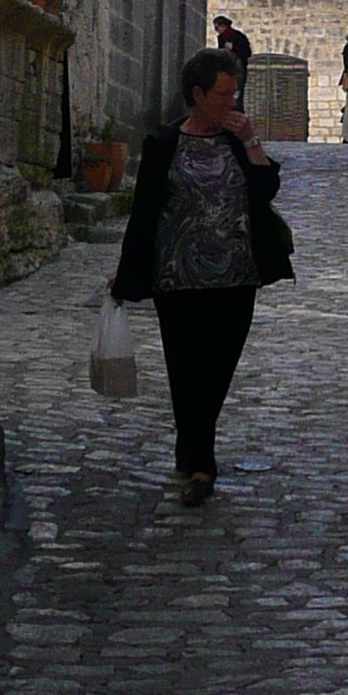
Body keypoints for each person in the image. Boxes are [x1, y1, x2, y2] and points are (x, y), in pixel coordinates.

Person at [113, 48, 293, 503]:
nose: (232, 101)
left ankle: (192, 447)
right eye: (223, 93)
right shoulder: (164, 144)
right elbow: (145, 213)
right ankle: (201, 463)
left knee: (218, 369)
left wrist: (252, 141)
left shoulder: (237, 140)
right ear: (197, 94)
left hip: (236, 276)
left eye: (235, 92)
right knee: (184, 369)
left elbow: (266, 189)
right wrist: (128, 275)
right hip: (178, 279)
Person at [212, 11, 253, 99]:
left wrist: (233, 49)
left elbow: (247, 52)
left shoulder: (238, 36)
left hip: (238, 68)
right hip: (227, 69)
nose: (217, 30)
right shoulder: (221, 38)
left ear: (223, 26)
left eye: (217, 27)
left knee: (237, 93)